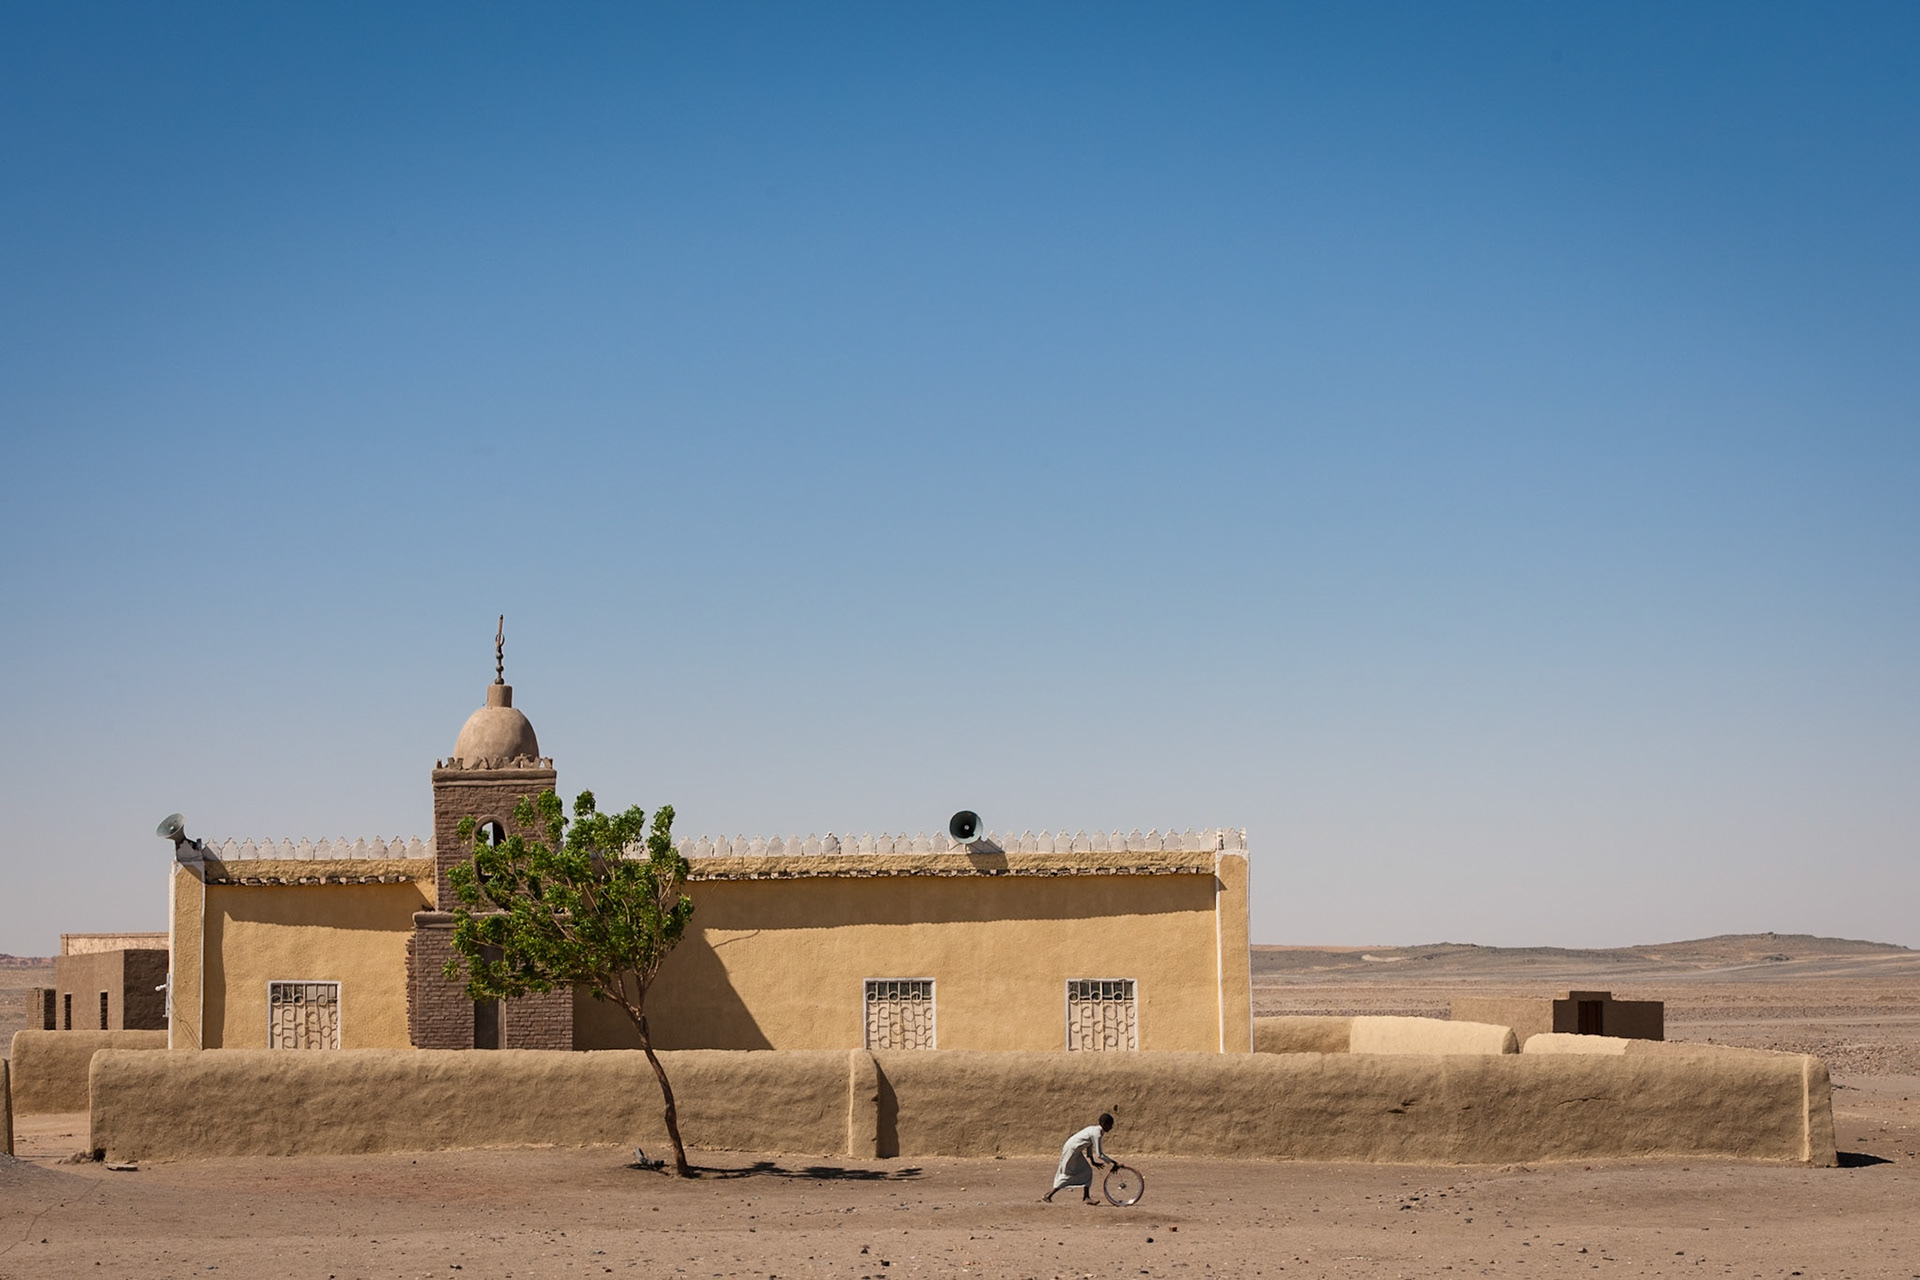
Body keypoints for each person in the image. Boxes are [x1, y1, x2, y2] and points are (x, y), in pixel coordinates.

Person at [1042, 1113, 1115, 1203]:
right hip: (1071, 1150)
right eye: (1110, 1125)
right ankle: (1049, 1195)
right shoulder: (1097, 1134)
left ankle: (1086, 1198)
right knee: (1068, 1174)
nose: (1111, 1127)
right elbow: (1100, 1154)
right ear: (1104, 1124)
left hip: (1075, 1150)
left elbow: (1089, 1145)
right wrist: (1114, 1163)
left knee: (1087, 1171)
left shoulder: (1095, 1130)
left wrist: (1092, 1161)